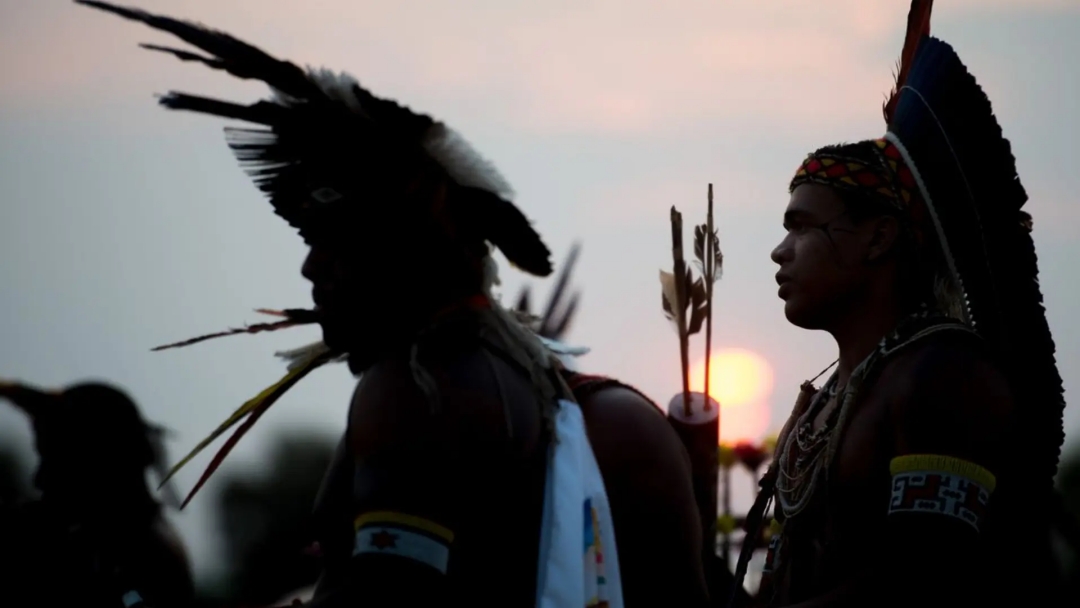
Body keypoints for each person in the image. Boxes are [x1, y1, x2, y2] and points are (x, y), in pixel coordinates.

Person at [79, 2, 710, 605]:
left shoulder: (415, 392)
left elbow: (388, 601)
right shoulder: (588, 408)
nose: (310, 266)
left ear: (399, 254)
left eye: (332, 242)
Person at [737, 1, 1066, 606]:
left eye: (803, 228)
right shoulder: (833, 396)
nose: (781, 253)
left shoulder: (943, 377)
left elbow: (926, 580)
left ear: (880, 237)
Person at [0, 380, 194, 608]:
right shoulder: (125, 542)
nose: (40, 479)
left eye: (59, 460)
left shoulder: (139, 557)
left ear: (105, 460)